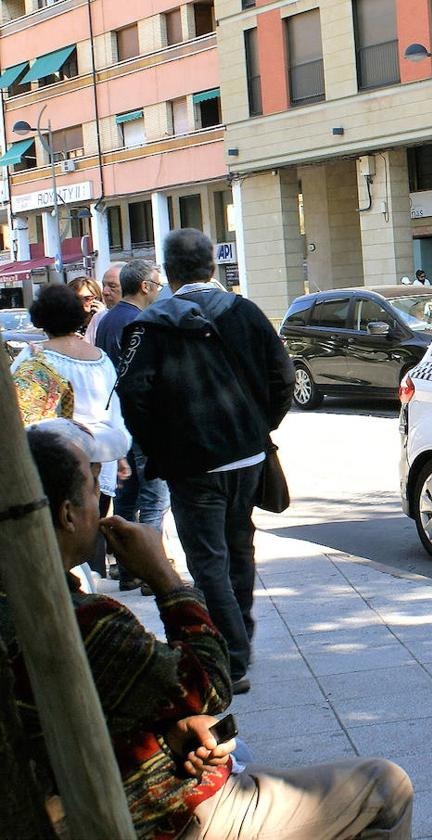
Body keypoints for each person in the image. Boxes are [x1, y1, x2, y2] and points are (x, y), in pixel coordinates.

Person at [10, 422, 413, 839]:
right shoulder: (83, 624)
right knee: (386, 787)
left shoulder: (33, 603)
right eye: (95, 489)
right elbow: (210, 685)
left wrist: (169, 732)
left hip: (126, 777)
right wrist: (165, 577)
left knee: (240, 750)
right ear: (67, 514)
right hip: (159, 817)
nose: (104, 503)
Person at [117, 228, 294, 695]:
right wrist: (260, 427)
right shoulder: (247, 313)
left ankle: (232, 657)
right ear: (213, 266)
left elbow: (134, 396)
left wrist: (160, 447)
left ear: (168, 272)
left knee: (207, 559)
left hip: (192, 464)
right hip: (248, 455)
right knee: (238, 548)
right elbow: (284, 377)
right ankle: (240, 641)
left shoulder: (150, 326)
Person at [11, 284, 131, 582]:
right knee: (93, 523)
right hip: (101, 454)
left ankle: (82, 589)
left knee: (62, 530)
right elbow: (115, 410)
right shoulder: (100, 357)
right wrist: (120, 456)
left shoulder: (34, 358)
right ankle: (94, 582)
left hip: (56, 458)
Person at [97, 260, 171, 551]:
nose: (158, 291)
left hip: (119, 420)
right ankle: (150, 566)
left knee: (126, 498)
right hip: (140, 421)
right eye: (157, 285)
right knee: (154, 500)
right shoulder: (139, 322)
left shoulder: (108, 319)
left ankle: (127, 566)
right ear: (145, 287)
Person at [69, 276, 105, 344]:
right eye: (77, 299)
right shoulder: (65, 320)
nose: (81, 303)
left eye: (87, 298)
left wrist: (102, 317)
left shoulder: (103, 318)